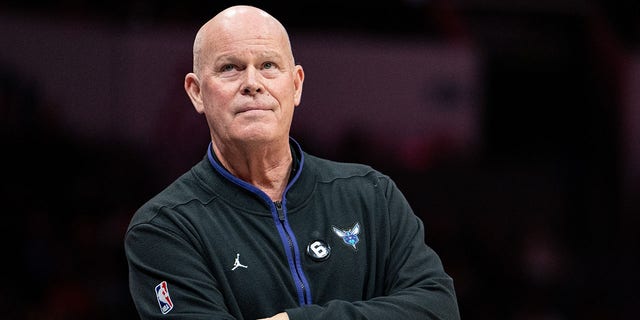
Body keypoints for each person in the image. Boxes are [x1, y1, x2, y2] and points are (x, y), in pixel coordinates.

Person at [124, 5, 460, 320]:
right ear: (196, 92)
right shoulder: (164, 227)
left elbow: (439, 307)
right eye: (230, 68)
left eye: (268, 65)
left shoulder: (372, 195)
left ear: (296, 85)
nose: (253, 83)